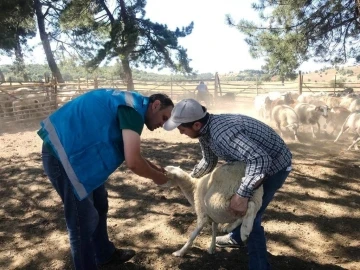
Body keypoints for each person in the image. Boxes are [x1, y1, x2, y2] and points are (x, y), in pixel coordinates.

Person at [38, 89, 172, 270]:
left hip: (78, 156)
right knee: (82, 221)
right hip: (63, 156)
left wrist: (156, 169)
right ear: (155, 105)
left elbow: (130, 153)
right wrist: (158, 178)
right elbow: (133, 162)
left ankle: (104, 255)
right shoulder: (133, 110)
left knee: (100, 203)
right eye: (164, 117)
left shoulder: (132, 104)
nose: (163, 124)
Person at [163, 99, 292, 270]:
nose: (180, 132)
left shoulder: (222, 134)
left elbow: (260, 159)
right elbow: (209, 160)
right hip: (249, 164)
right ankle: (237, 238)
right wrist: (187, 180)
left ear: (195, 125)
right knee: (244, 208)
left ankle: (259, 266)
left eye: (181, 128)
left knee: (251, 214)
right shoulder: (204, 131)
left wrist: (242, 195)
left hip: (273, 167)